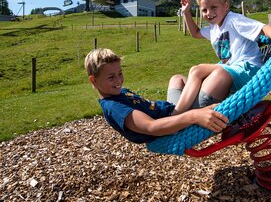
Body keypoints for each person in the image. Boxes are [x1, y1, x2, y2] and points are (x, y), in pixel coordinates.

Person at [173, 0, 271, 114]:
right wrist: (185, 12)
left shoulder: (233, 20)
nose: (209, 13)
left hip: (247, 69)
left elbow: (263, 28)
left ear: (226, 6)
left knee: (196, 70)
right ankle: (178, 112)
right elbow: (195, 33)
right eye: (204, 10)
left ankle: (175, 116)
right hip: (231, 69)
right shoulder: (213, 28)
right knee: (177, 79)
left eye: (214, 7)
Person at [84, 48, 229, 144]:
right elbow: (151, 126)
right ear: (93, 80)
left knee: (177, 79)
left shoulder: (118, 93)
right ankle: (234, 66)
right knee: (219, 75)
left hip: (172, 111)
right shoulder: (114, 107)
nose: (119, 81)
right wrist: (194, 116)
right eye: (111, 77)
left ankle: (224, 73)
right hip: (176, 123)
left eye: (120, 73)